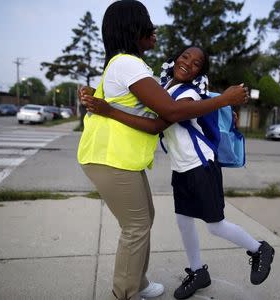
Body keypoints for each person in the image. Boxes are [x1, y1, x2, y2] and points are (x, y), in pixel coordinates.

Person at [76, 1, 248, 300]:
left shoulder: (126, 64)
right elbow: (170, 110)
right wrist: (225, 101)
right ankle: (125, 293)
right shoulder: (127, 63)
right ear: (133, 28)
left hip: (120, 159)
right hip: (109, 158)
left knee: (144, 220)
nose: (154, 29)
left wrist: (221, 106)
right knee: (136, 227)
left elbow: (160, 115)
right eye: (147, 22)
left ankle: (138, 283)